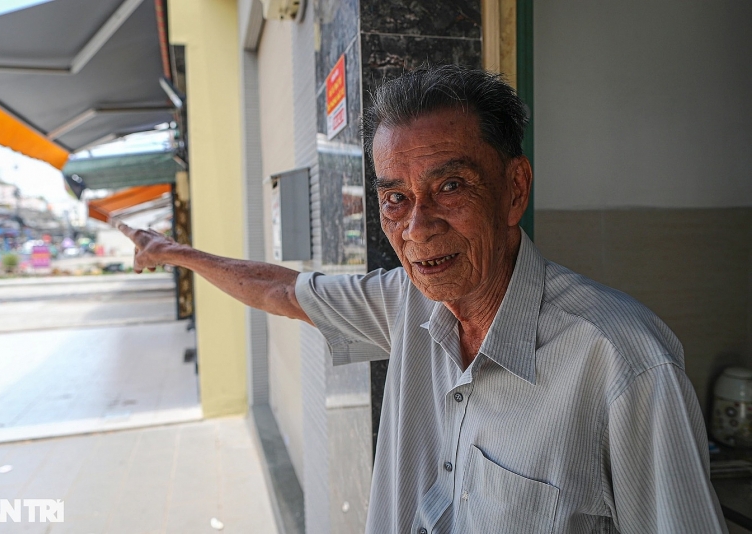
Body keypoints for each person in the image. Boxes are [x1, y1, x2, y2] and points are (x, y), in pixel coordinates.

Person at [118, 65, 727, 533]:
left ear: (514, 190)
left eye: (451, 186)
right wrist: (175, 251)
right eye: (394, 198)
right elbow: (281, 289)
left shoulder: (624, 361)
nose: (416, 228)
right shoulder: (406, 304)